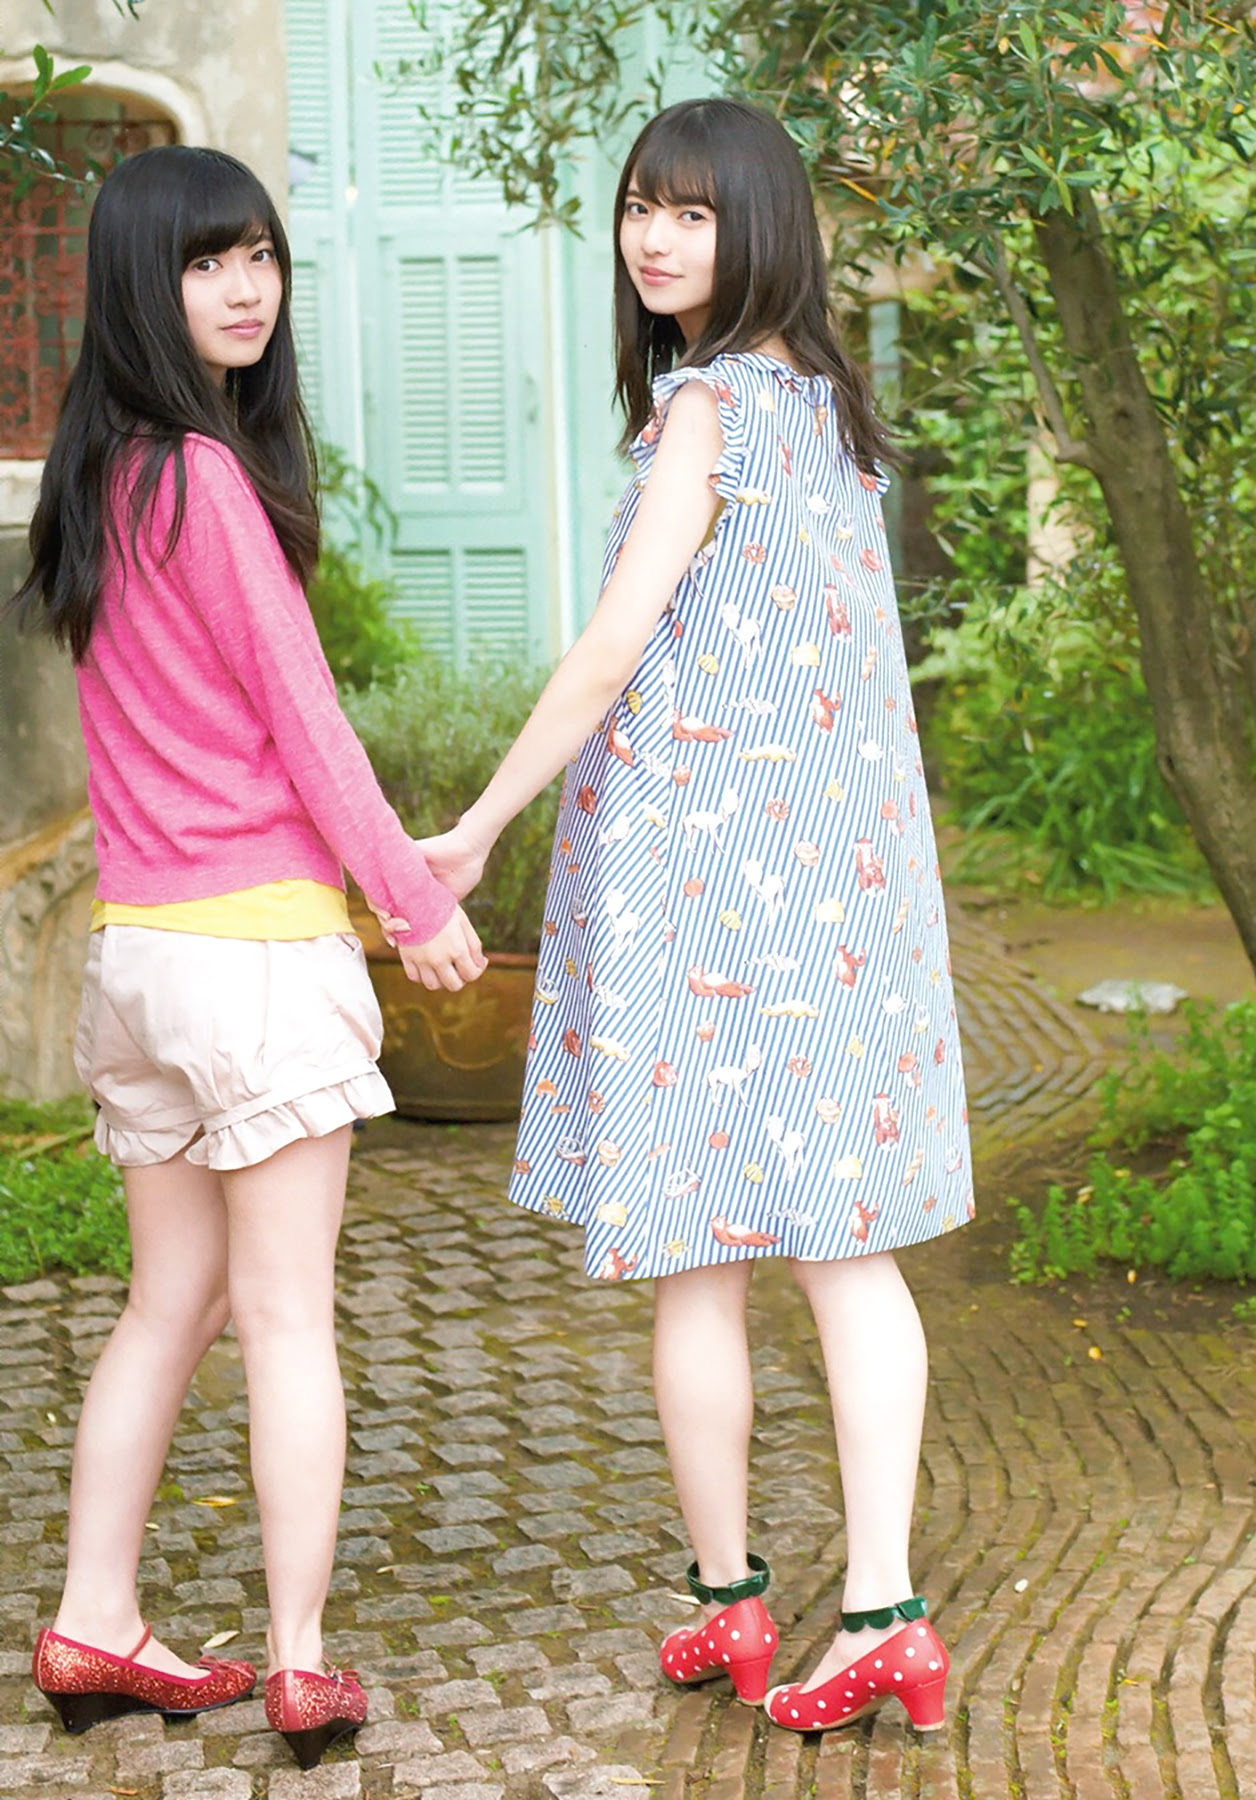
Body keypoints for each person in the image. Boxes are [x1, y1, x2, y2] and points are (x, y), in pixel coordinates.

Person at [417, 97, 973, 1735]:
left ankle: (813, 1604)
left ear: (761, 229)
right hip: (843, 896)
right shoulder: (835, 418)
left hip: (710, 896)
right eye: (639, 208)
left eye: (692, 213)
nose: (652, 239)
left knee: (715, 1261)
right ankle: (813, 1606)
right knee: (829, 1254)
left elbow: (612, 647)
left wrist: (477, 826)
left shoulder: (712, 411)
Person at [11, 144, 484, 1769]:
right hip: (259, 955)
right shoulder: (204, 480)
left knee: (170, 1305)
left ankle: (95, 1618)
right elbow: (305, 720)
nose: (246, 287)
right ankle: (298, 1660)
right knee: (285, 1318)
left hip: (140, 959)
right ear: (143, 286)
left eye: (262, 256)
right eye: (207, 261)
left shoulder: (99, 477)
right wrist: (415, 904)